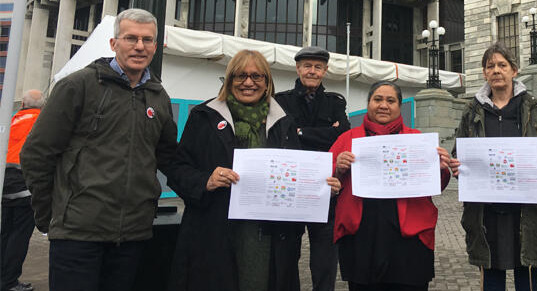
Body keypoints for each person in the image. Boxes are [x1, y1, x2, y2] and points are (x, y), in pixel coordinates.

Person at [20, 9, 178, 291]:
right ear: (114, 43)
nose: (139, 46)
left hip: (132, 237)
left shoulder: (158, 96)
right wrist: (51, 216)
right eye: (131, 38)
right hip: (78, 237)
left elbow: (167, 158)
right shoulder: (78, 86)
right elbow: (37, 154)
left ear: (155, 46)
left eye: (147, 40)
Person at [168, 49, 340, 291]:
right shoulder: (204, 117)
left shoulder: (283, 122)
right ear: (229, 80)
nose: (248, 82)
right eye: (240, 76)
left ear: (267, 82)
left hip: (270, 238)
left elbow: (294, 174)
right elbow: (177, 168)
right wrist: (205, 180)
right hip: (215, 232)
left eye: (257, 77)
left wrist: (322, 188)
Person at [449, 42, 537, 291]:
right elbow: (459, 153)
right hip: (486, 212)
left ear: (514, 70)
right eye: (490, 66)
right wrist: (457, 166)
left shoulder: (534, 107)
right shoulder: (471, 110)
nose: (496, 70)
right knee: (491, 280)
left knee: (528, 280)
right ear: (484, 73)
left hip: (527, 211)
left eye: (502, 65)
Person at [331, 81, 451, 291]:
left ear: (399, 105)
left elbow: (437, 186)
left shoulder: (418, 140)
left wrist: (440, 168)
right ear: (369, 103)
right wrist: (338, 169)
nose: (383, 105)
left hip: (409, 239)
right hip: (361, 237)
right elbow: (327, 182)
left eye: (390, 100)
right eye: (378, 99)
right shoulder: (346, 139)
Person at [274, 46, 350, 291]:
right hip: (291, 190)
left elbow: (343, 134)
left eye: (318, 67)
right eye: (307, 66)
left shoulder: (335, 101)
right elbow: (281, 136)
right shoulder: (280, 100)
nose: (312, 71)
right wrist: (325, 134)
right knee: (285, 258)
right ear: (298, 68)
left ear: (325, 71)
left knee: (325, 260)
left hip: (325, 189)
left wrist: (300, 132)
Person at [2, 89, 44, 291]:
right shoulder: (43, 122)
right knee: (19, 236)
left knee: (5, 233)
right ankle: (9, 281)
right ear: (42, 107)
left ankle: (4, 278)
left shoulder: (11, 120)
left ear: (22, 105)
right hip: (26, 187)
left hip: (4, 184)